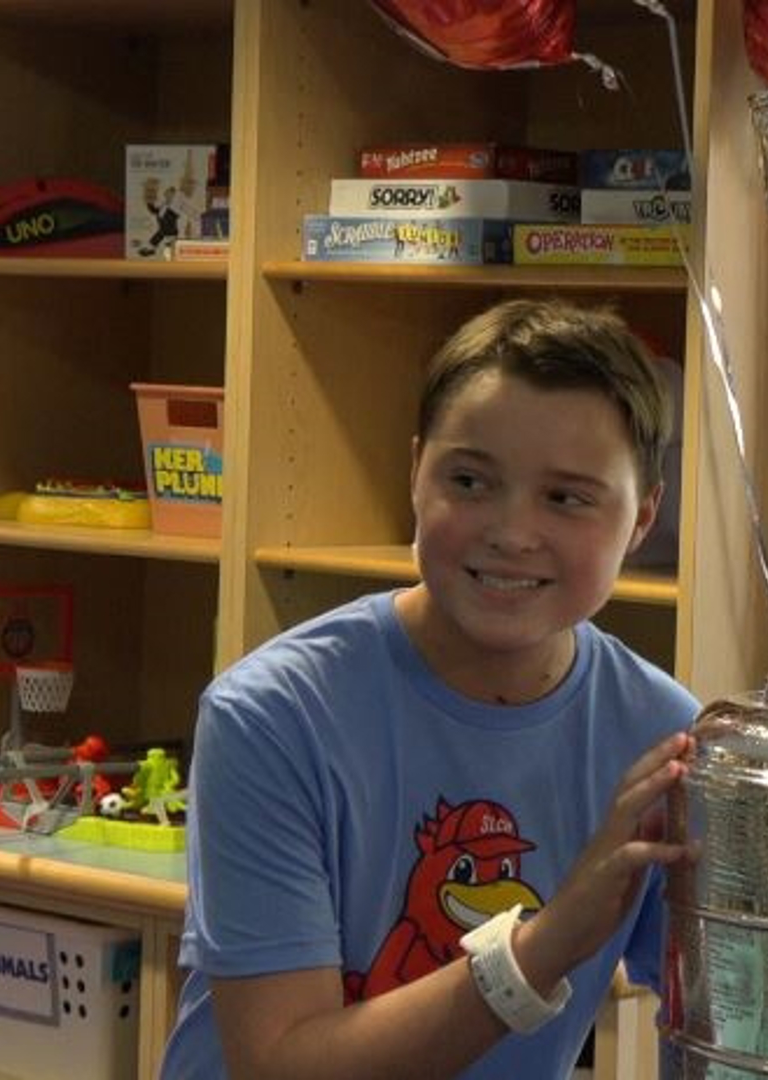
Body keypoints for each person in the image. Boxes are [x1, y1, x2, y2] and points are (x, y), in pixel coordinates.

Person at [160, 298, 700, 1078]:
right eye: (471, 481)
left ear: (643, 516)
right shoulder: (273, 717)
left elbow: (719, 1010)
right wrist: (547, 942)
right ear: (415, 472)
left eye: (568, 497)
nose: (511, 532)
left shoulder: (659, 734)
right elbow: (280, 1065)